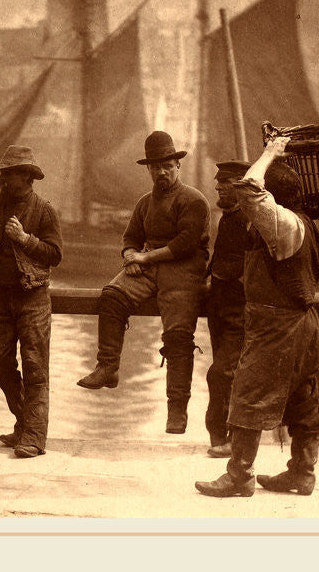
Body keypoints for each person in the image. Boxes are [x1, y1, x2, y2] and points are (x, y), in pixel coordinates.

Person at [195, 135, 319, 498]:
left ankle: (239, 476)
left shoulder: (283, 224)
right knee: (302, 399)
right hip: (304, 326)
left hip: (277, 328)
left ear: (275, 197)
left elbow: (250, 188)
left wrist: (270, 153)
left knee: (248, 394)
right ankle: (302, 473)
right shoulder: (304, 222)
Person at [76, 130, 210, 435]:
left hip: (184, 269)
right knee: (112, 296)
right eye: (155, 167)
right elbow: (131, 237)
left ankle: (177, 410)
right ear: (148, 169)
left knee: (178, 336)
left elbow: (186, 244)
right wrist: (130, 256)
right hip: (149, 267)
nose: (162, 172)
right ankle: (108, 367)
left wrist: (145, 258)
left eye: (167, 165)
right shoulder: (144, 203)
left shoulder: (194, 200)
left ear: (178, 165)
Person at [0, 145, 63, 458]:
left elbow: (55, 255)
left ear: (27, 176)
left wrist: (25, 239)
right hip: (0, 297)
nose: (5, 179)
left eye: (11, 174)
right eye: (4, 173)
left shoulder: (44, 210)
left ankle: (34, 438)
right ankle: (26, 422)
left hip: (33, 298)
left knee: (35, 367)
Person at [202, 159, 252, 458]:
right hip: (219, 308)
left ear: (242, 187)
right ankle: (223, 438)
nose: (219, 187)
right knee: (226, 373)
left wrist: (220, 276)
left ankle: (226, 437)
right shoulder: (229, 218)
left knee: (223, 373)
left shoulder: (250, 220)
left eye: (226, 183)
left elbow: (250, 265)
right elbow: (220, 258)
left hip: (240, 310)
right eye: (218, 183)